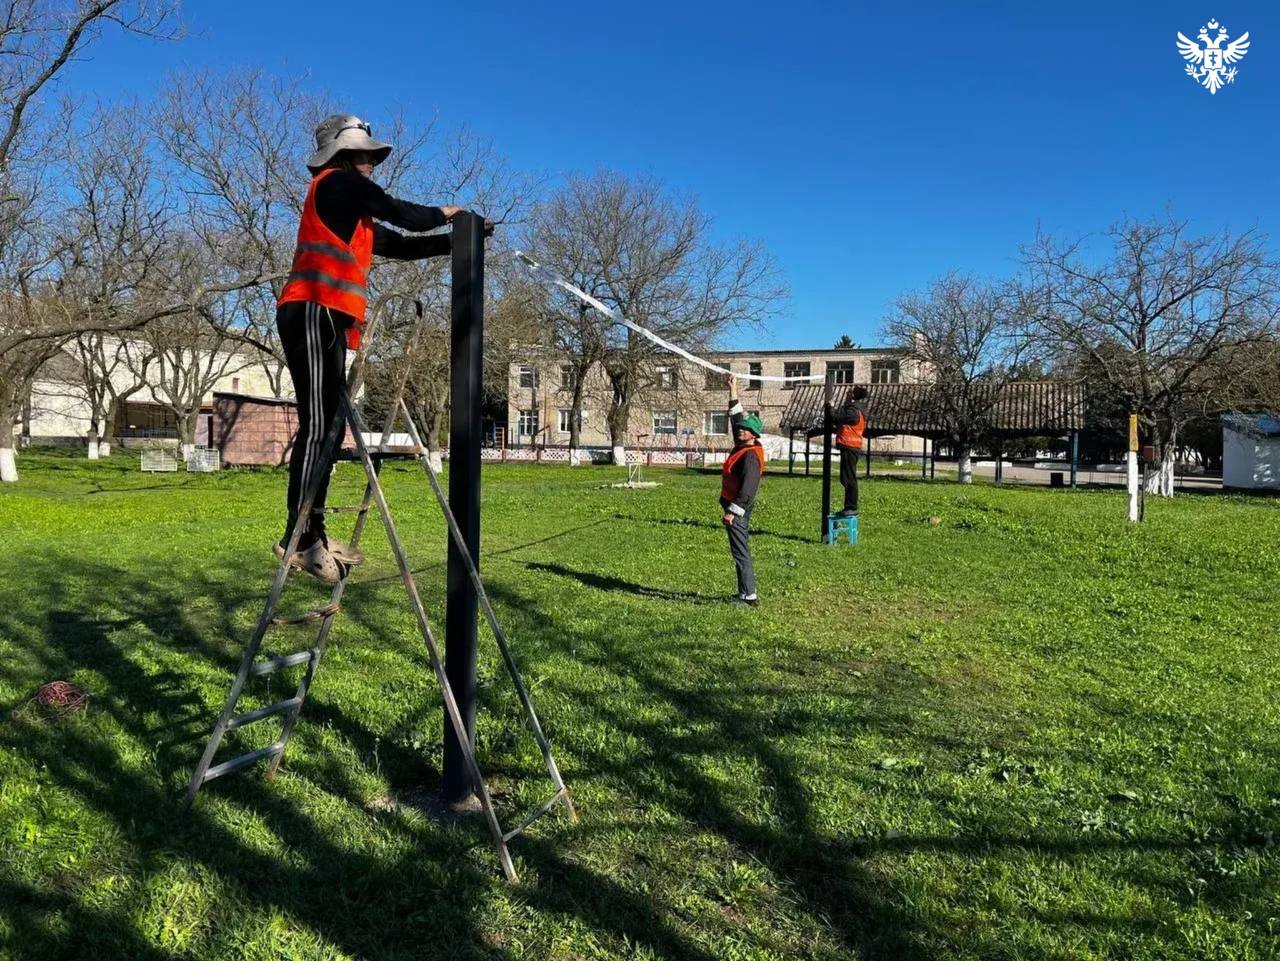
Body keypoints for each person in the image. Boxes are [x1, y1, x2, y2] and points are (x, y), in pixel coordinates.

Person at [275, 114, 460, 582]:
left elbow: (397, 243)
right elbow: (403, 214)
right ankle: (298, 540)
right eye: (364, 154)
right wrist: (449, 214)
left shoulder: (350, 211)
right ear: (341, 154)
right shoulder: (336, 184)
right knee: (319, 427)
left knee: (331, 428)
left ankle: (310, 530)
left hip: (327, 317)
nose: (371, 164)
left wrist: (458, 243)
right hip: (313, 309)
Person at [722, 377, 766, 606]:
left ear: (754, 435)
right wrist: (733, 389)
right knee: (739, 549)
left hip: (737, 509)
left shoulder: (750, 456)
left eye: (747, 430)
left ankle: (749, 596)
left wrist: (733, 511)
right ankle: (745, 593)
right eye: (741, 429)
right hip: (734, 506)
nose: (741, 431)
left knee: (740, 551)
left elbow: (748, 489)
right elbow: (736, 418)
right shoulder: (744, 444)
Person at [829, 385, 869, 517]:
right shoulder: (855, 410)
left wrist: (829, 407)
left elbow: (836, 417)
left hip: (849, 446)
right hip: (850, 446)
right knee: (845, 477)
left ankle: (851, 506)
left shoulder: (853, 412)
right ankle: (849, 506)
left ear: (853, 397)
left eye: (849, 394)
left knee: (849, 478)